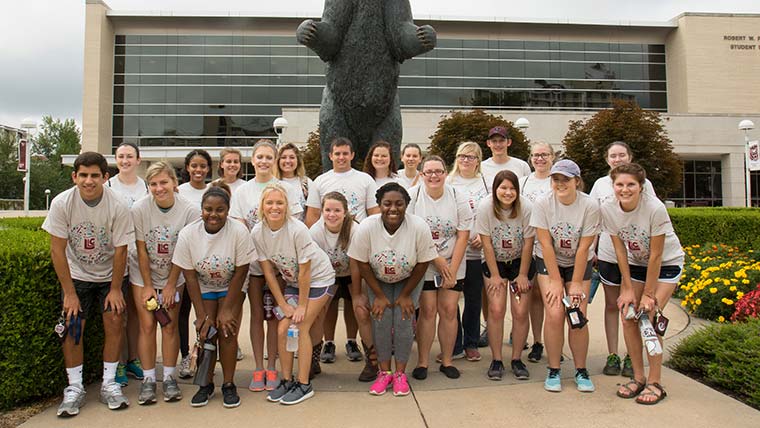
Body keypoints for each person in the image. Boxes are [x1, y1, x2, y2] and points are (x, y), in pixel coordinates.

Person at [44, 152, 135, 417]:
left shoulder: (117, 205)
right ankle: (74, 387)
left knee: (115, 320)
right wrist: (69, 294)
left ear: (105, 178)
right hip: (77, 276)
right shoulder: (62, 203)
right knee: (73, 326)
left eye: (95, 175)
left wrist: (116, 288)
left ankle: (109, 383)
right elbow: (57, 250)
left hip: (110, 276)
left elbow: (121, 250)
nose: (88, 180)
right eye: (83, 175)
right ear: (74, 176)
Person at [601, 163, 683, 405]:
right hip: (636, 264)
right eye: (619, 184)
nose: (624, 189)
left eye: (630, 185)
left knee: (649, 317)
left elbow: (657, 255)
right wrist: (626, 287)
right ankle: (638, 377)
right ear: (613, 185)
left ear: (641, 187)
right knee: (628, 316)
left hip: (666, 264)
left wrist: (649, 295)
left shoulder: (654, 208)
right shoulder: (608, 208)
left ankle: (655, 382)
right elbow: (619, 250)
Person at [348, 183, 438, 397]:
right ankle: (384, 372)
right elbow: (361, 262)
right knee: (381, 319)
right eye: (387, 204)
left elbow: (423, 263)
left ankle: (399, 374)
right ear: (379, 205)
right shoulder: (368, 226)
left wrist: (406, 295)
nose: (393, 208)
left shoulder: (418, 226)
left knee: (403, 321)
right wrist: (378, 295)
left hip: (408, 279)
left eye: (399, 204)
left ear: (407, 204)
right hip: (378, 280)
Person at [229, 139, 303, 392]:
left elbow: (294, 225)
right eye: (259, 157)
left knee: (275, 317)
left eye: (268, 157)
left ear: (275, 160)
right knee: (257, 315)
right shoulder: (242, 192)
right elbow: (239, 228)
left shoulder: (287, 189)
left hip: (280, 267)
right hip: (253, 265)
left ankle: (273, 366)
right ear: (253, 159)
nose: (263, 161)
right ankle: (258, 368)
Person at [253, 184, 336, 405]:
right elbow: (269, 272)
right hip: (292, 282)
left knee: (299, 327)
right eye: (269, 202)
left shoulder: (297, 230)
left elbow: (306, 272)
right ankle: (287, 380)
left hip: (319, 280)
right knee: (282, 329)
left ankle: (304, 383)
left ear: (287, 206)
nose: (274, 207)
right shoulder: (257, 232)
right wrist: (283, 303)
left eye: (279, 203)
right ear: (262, 206)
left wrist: (300, 306)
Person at [172, 186, 253, 408]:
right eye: (208, 209)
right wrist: (201, 315)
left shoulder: (238, 231)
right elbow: (189, 276)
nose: (213, 214)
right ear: (201, 209)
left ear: (228, 210)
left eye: (220, 209)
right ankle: (205, 385)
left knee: (227, 331)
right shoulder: (189, 233)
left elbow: (241, 271)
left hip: (232, 285)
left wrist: (227, 309)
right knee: (207, 333)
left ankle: (228, 384)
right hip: (204, 285)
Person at [130, 162, 199, 405]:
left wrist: (170, 285)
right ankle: (149, 380)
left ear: (174, 183)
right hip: (143, 273)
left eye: (163, 182)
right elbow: (140, 248)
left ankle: (169, 378)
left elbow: (184, 250)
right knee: (147, 324)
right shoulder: (139, 209)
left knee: (169, 324)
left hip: (174, 272)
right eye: (153, 184)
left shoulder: (189, 210)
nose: (159, 188)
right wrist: (148, 286)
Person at [530, 159, 600, 393]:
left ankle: (581, 370)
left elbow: (584, 247)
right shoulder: (542, 203)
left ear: (576, 181)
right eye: (556, 179)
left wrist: (577, 283)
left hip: (578, 262)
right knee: (554, 312)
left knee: (577, 315)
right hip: (549, 261)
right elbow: (545, 243)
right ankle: (554, 369)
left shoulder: (589, 205)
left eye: (565, 179)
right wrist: (556, 282)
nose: (560, 184)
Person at [590, 141, 655, 378]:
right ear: (607, 159)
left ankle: (631, 355)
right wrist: (593, 250)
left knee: (634, 307)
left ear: (630, 156)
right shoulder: (599, 185)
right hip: (609, 254)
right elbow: (593, 220)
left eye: (621, 155)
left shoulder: (644, 185)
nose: (617, 159)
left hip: (637, 257)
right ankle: (612, 354)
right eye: (613, 156)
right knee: (611, 305)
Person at [409, 156, 472, 380]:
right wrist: (437, 260)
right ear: (422, 174)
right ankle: (423, 362)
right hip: (425, 262)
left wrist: (452, 269)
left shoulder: (458, 196)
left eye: (438, 171)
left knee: (449, 310)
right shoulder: (413, 195)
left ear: (446, 173)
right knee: (427, 311)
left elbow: (463, 233)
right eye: (429, 172)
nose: (434, 176)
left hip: (453, 261)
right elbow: (412, 233)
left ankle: (447, 360)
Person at [477, 170, 535, 381]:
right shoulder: (486, 207)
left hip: (520, 261)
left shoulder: (526, 207)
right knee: (496, 309)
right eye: (503, 188)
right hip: (495, 262)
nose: (508, 192)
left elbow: (529, 242)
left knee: (520, 311)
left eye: (512, 188)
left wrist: (522, 275)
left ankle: (517, 358)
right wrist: (494, 275)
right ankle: (497, 359)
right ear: (495, 189)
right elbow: (486, 242)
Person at [107, 142, 147, 386]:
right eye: (121, 156)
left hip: (138, 256)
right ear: (116, 159)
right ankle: (119, 362)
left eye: (129, 156)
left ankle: (133, 359)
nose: (125, 161)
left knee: (135, 312)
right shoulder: (108, 186)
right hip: (117, 257)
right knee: (118, 314)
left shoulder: (145, 187)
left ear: (138, 160)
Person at [310, 192, 364, 367]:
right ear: (322, 211)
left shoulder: (355, 229)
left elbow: (357, 263)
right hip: (326, 275)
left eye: (337, 210)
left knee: (352, 305)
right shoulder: (316, 231)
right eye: (327, 210)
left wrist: (356, 293)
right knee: (327, 306)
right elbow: (315, 265)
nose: (331, 215)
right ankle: (328, 343)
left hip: (350, 272)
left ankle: (351, 341)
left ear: (345, 211)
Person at [447, 141, 490, 360]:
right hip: (453, 252)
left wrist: (483, 237)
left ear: (478, 161)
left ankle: (471, 342)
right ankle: (454, 343)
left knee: (473, 299)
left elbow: (494, 214)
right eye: (462, 156)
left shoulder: (485, 184)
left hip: (476, 252)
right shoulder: (447, 182)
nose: (466, 160)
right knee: (451, 300)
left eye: (471, 157)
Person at [520, 142, 556, 364]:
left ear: (552, 156)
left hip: (553, 248)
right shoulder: (524, 182)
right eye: (535, 155)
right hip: (528, 245)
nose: (539, 159)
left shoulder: (559, 180)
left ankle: (555, 341)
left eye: (544, 155)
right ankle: (537, 341)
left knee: (552, 298)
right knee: (533, 296)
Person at [176, 149, 210, 380]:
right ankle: (186, 354)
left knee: (206, 312)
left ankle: (205, 353)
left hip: (209, 259)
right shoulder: (179, 192)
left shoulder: (214, 190)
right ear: (187, 168)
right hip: (185, 258)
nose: (198, 170)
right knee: (183, 311)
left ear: (209, 168)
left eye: (203, 166)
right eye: (194, 166)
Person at [305, 137, 380, 227]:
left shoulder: (366, 180)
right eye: (337, 154)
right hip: (327, 237)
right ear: (331, 156)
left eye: (345, 154)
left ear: (352, 155)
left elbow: (374, 213)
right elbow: (313, 215)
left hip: (357, 236)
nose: (341, 157)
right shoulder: (319, 181)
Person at [275, 142, 314, 222]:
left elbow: (312, 213)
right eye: (283, 157)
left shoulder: (306, 183)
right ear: (278, 161)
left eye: (292, 157)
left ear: (298, 160)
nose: (288, 161)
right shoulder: (272, 183)